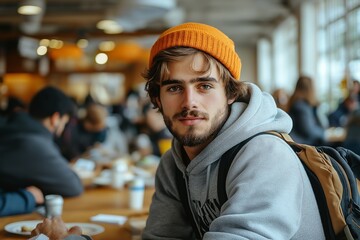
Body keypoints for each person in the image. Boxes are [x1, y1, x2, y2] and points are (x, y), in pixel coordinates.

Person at [32, 22, 325, 240]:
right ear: (157, 99)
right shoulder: (174, 164)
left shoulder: (264, 155)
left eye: (205, 85)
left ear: (231, 93)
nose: (189, 102)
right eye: (174, 87)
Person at [0, 86, 83, 197]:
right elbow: (73, 186)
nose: (62, 129)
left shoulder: (15, 127)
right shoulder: (33, 143)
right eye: (64, 123)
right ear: (55, 118)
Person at [287, 76, 327, 145]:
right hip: (304, 146)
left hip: (302, 143)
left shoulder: (299, 104)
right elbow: (309, 131)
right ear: (311, 89)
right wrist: (325, 133)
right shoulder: (301, 106)